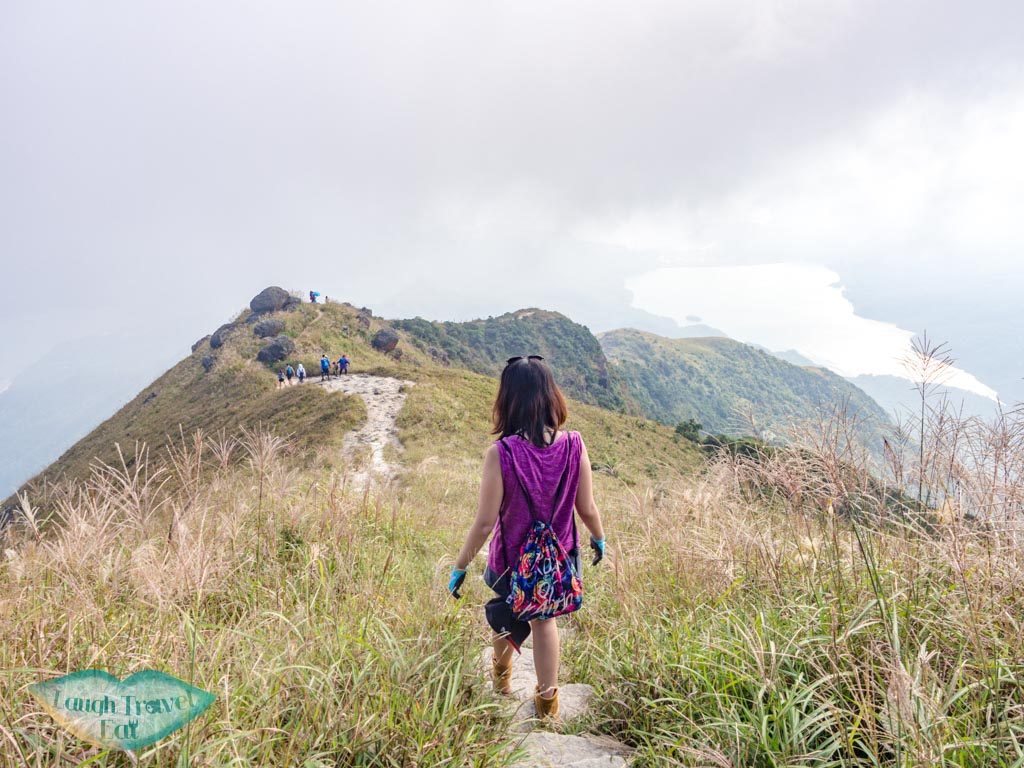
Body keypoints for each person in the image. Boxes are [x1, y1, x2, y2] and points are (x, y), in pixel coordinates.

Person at [448, 355, 606, 720]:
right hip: (561, 555)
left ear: (508, 400)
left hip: (510, 558)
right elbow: (587, 507)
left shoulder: (500, 454)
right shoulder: (575, 446)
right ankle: (547, 704)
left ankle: (501, 683)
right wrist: (599, 538)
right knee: (544, 621)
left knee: (506, 614)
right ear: (552, 396)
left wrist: (460, 566)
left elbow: (485, 522)